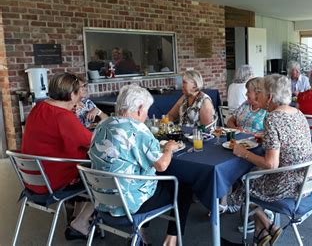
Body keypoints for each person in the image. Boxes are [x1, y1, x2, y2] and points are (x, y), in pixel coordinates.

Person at [88, 84, 193, 246]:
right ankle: (170, 241)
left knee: (149, 180)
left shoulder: (102, 125)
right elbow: (161, 165)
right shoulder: (139, 129)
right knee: (184, 187)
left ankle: (141, 235)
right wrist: (169, 149)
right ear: (139, 108)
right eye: (146, 111)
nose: (147, 115)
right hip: (128, 203)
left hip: (101, 200)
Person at [228, 74, 312, 245]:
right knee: (251, 177)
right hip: (307, 180)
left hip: (288, 185)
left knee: (239, 181)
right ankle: (263, 232)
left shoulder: (272, 118)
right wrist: (266, 139)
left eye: (259, 93)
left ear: (269, 98)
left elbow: (271, 164)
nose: (257, 96)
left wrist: (241, 152)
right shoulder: (297, 112)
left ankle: (268, 224)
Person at [21, 72, 95, 240]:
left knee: (83, 167)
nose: (80, 98)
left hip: (34, 178)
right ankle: (81, 222)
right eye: (79, 93)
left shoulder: (39, 107)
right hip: (52, 181)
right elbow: (93, 143)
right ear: (71, 95)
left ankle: (75, 219)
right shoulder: (63, 117)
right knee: (104, 173)